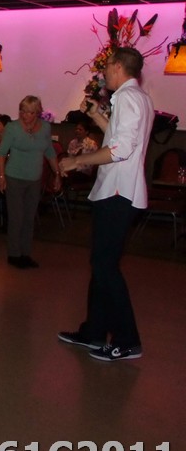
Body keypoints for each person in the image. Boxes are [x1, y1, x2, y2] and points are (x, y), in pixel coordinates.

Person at [58, 47, 153, 361]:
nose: (103, 72)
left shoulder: (127, 98)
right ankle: (94, 332)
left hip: (118, 193)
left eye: (107, 66)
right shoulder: (137, 98)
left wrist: (77, 161)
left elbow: (120, 150)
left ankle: (128, 340)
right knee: (101, 266)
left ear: (118, 66)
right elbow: (117, 136)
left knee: (106, 268)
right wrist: (97, 115)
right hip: (116, 192)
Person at [0, 95, 60, 269]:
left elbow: (49, 152)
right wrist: (1, 177)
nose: (26, 116)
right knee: (16, 217)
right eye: (23, 111)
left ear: (38, 113)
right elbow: (1, 153)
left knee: (29, 218)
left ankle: (25, 253)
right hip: (14, 177)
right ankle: (14, 254)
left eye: (30, 112)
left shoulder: (45, 128)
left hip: (34, 179)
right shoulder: (12, 128)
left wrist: (57, 174)